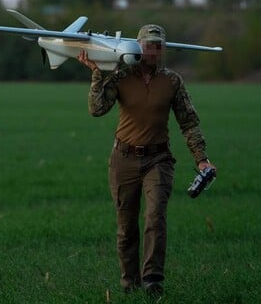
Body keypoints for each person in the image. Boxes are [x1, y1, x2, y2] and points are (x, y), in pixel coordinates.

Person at [77, 24, 216, 297]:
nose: (153, 50)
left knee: (155, 217)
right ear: (139, 46)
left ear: (163, 49)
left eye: (158, 45)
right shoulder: (120, 77)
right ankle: (130, 283)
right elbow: (97, 109)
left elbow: (189, 123)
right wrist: (97, 73)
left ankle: (153, 281)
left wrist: (202, 160)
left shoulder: (173, 81)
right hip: (123, 159)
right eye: (148, 44)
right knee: (126, 227)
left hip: (158, 159)